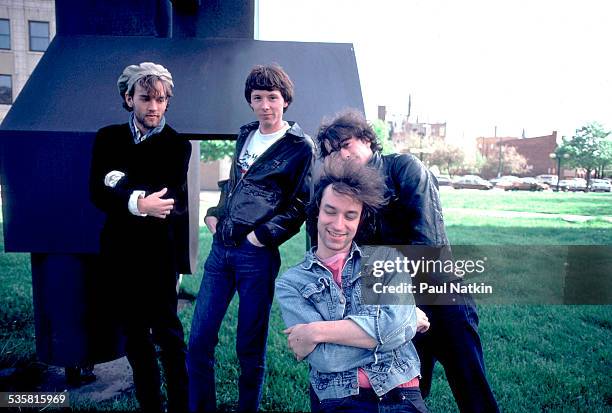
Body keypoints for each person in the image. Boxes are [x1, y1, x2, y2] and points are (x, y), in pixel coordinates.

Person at [314, 109, 500, 413]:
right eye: (332, 152)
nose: (340, 155)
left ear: (366, 140)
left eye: (345, 144)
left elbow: (427, 245)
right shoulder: (344, 194)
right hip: (396, 308)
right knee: (408, 396)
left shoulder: (405, 169)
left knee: (472, 392)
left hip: (442, 299)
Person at [187, 64, 314, 413]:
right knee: (199, 341)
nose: (265, 105)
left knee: (249, 346)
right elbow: (234, 186)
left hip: (255, 256)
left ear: (285, 100)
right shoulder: (246, 134)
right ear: (250, 101)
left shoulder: (299, 146)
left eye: (272, 97)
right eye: (257, 98)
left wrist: (262, 236)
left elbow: (300, 203)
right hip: (220, 252)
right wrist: (215, 213)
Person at [276, 161, 429, 413]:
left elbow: (320, 345)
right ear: (317, 212)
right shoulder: (292, 283)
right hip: (340, 399)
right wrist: (402, 326)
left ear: (360, 220)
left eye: (350, 216)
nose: (338, 225)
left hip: (401, 393)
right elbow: (325, 358)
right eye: (330, 211)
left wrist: (315, 332)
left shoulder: (387, 261)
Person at [89, 62, 191, 413]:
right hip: (119, 253)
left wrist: (121, 185)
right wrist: (138, 201)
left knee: (168, 335)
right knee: (134, 336)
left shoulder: (177, 145)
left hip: (159, 255)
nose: (154, 107)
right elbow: (97, 192)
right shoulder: (107, 138)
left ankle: (179, 404)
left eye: (161, 99)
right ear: (128, 98)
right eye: (146, 98)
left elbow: (165, 196)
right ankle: (150, 404)